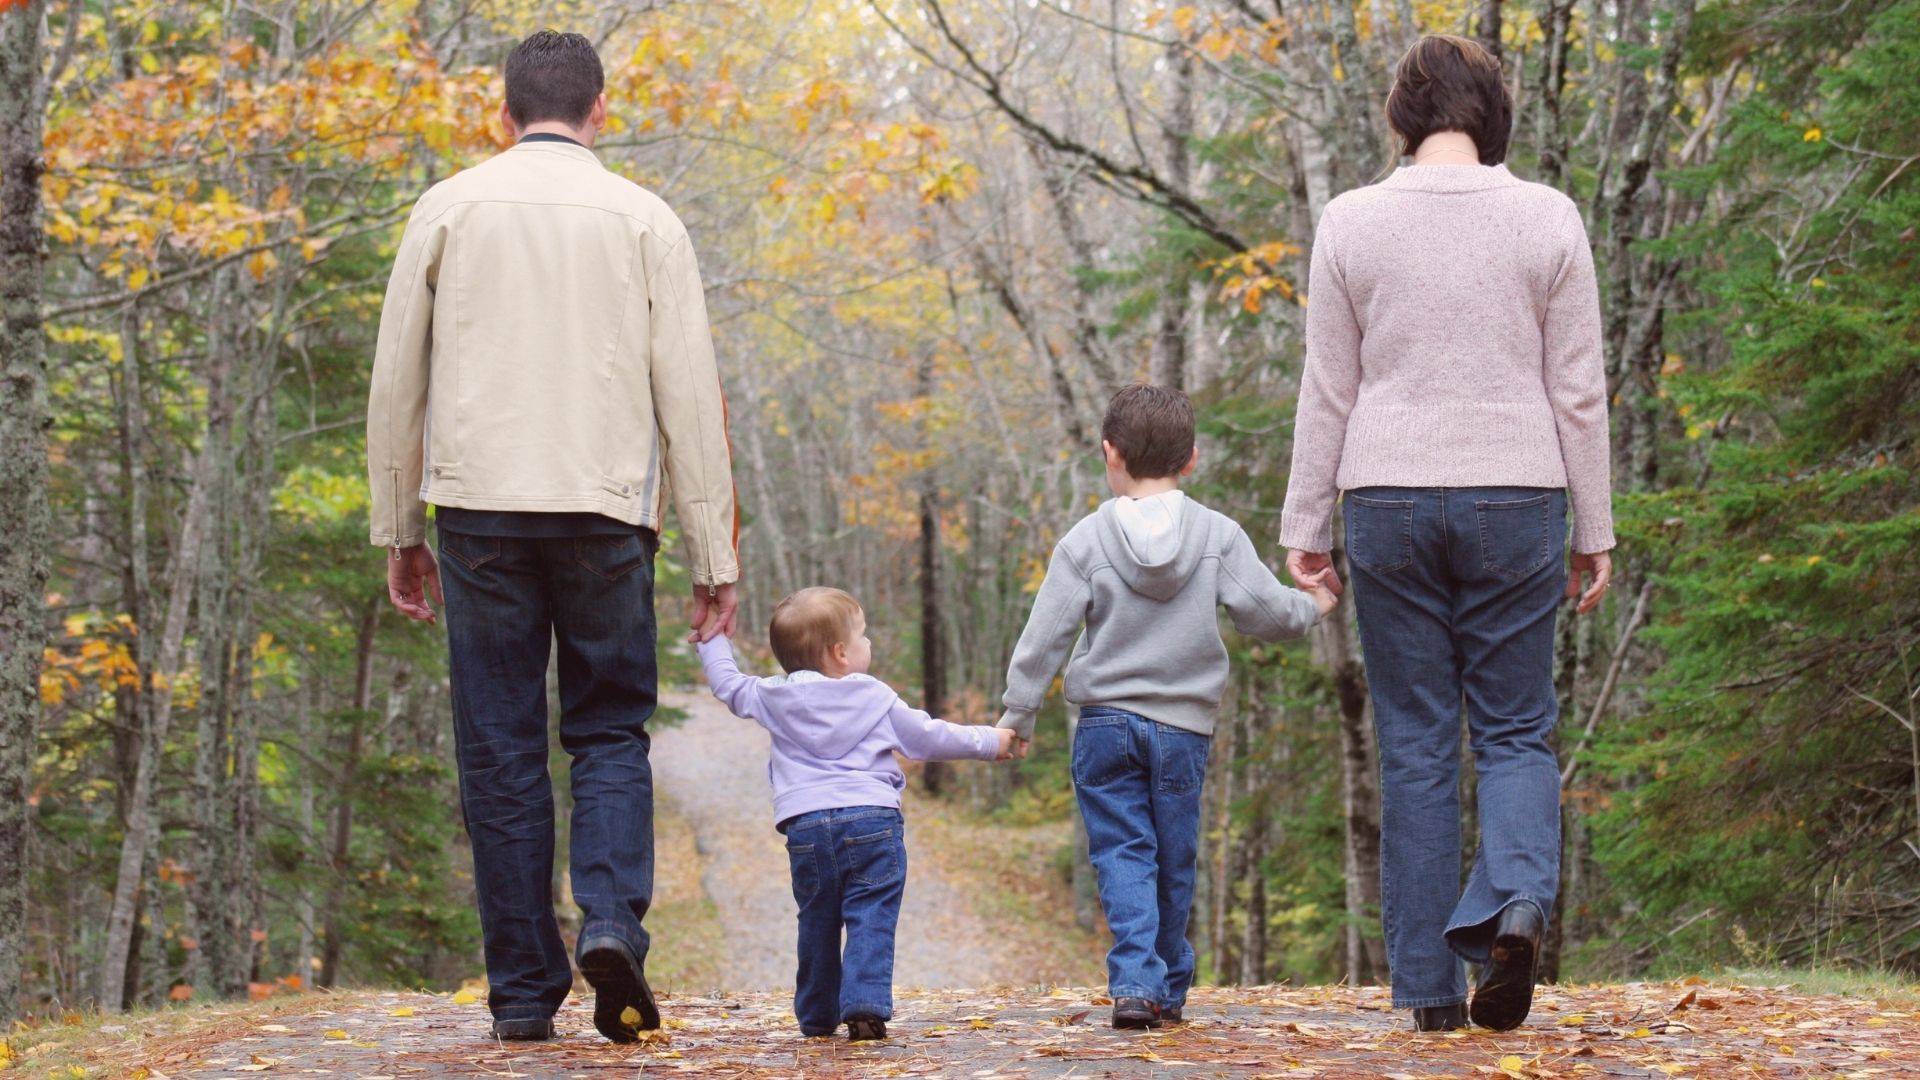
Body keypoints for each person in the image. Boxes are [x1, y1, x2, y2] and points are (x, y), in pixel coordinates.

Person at [363, 30, 740, 1044]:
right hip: (607, 511)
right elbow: (690, 400)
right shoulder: (646, 221)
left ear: (504, 113)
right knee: (609, 731)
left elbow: (397, 381)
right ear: (601, 110)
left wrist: (399, 525)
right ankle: (611, 920)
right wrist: (715, 553)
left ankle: (525, 992)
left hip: (479, 511)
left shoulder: (447, 209)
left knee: (499, 747)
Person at [1278, 34, 1616, 1033]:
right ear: (1491, 114)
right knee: (1514, 728)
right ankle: (1513, 902)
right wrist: (1593, 526)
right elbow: (1579, 391)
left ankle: (1428, 992)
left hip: (1388, 498)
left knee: (1417, 740)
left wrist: (1306, 524)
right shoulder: (1547, 218)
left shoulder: (1350, 222)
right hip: (1519, 494)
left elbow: (1328, 385)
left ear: (1404, 117)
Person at [996, 384, 1337, 1029]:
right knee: (1175, 853)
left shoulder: (1086, 541)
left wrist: (1018, 716)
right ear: (1192, 459)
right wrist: (1315, 604)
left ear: (1110, 453)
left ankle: (1134, 984)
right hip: (1183, 729)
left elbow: (1044, 639)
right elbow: (1266, 614)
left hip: (1103, 728)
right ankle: (1168, 990)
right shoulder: (1217, 535)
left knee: (1122, 851)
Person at [694, 588, 1015, 1040]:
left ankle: (817, 1015)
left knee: (817, 917)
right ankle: (864, 1004)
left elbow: (726, 684)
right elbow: (928, 737)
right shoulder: (874, 697)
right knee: (872, 911)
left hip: (806, 826)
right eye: (863, 637)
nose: (870, 645)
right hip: (872, 821)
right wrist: (991, 741)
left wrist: (712, 637)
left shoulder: (772, 696)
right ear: (840, 653)